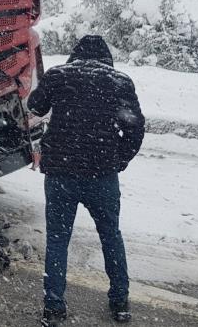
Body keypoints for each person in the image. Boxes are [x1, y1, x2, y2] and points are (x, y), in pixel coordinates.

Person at [28, 36, 145, 326]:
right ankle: (120, 302)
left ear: (75, 54)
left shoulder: (58, 75)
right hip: (102, 177)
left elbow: (35, 106)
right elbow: (135, 128)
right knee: (110, 236)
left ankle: (54, 308)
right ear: (106, 58)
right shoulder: (119, 82)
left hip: (61, 175)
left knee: (57, 240)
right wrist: (119, 160)